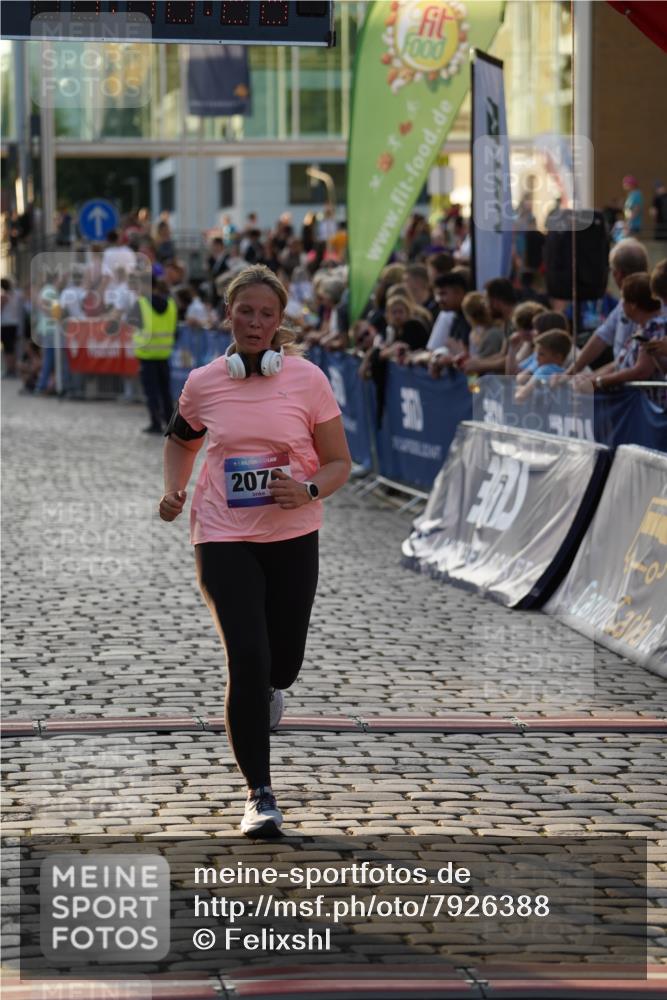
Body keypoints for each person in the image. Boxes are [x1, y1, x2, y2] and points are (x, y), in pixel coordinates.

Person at [158, 265, 351, 837]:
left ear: (280, 322)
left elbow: (340, 461)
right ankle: (259, 796)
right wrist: (174, 488)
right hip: (221, 532)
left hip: (293, 532)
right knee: (246, 655)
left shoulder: (308, 379)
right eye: (247, 311)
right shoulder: (204, 382)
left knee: (281, 661)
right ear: (229, 313)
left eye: (268, 314)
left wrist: (309, 488)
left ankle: (271, 687)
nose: (256, 323)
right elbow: (180, 440)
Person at [128, 277, 177, 433]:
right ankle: (170, 422)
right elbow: (175, 330)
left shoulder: (140, 304)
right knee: (165, 391)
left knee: (151, 392)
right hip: (164, 353)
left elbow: (132, 325)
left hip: (147, 354)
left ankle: (155, 423)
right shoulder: (170, 304)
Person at [515, 330, 572, 402]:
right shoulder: (563, 373)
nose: (536, 358)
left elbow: (521, 396)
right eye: (536, 354)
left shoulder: (544, 370)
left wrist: (519, 391)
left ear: (558, 358)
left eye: (541, 354)